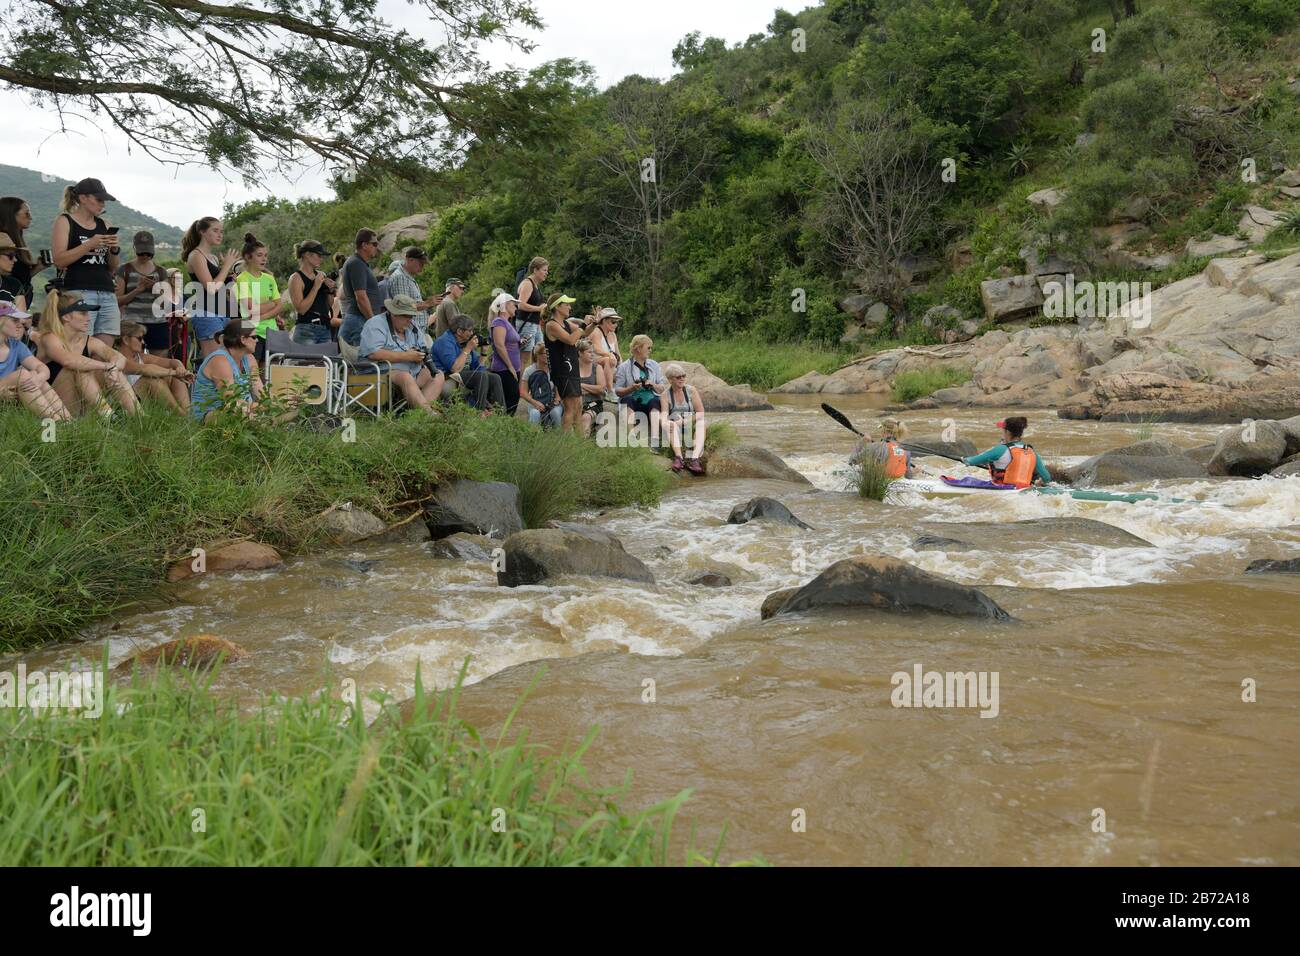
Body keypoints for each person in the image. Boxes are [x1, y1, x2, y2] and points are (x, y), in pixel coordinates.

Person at [35, 290, 139, 417]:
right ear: (66, 317)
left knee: (110, 371)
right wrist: (106, 366)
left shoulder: (89, 341)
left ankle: (138, 417)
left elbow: (119, 357)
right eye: (83, 313)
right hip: (56, 407)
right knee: (81, 369)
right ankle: (109, 417)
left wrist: (113, 368)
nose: (88, 318)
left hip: (82, 405)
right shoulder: (50, 338)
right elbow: (69, 361)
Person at [51, 179, 122, 347]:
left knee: (104, 352)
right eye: (99, 199)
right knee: (79, 348)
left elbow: (113, 266)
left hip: (107, 291)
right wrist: (89, 244)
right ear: (83, 198)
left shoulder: (104, 224)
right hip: (79, 290)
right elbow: (59, 260)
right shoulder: (65, 221)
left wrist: (114, 249)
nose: (103, 204)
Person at [358, 295, 445, 414]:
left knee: (438, 375)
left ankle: (419, 415)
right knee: (405, 377)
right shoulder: (375, 324)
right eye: (406, 316)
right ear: (394, 314)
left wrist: (419, 357)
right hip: (381, 371)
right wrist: (407, 356)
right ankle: (428, 414)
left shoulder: (412, 326)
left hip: (412, 370)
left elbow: (421, 348)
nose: (410, 320)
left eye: (412, 316)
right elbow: (373, 353)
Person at [182, 216, 239, 358]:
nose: (220, 234)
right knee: (215, 359)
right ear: (202, 232)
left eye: (221, 231)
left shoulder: (212, 257)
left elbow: (220, 287)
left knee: (227, 358)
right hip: (207, 313)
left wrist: (231, 280)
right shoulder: (196, 255)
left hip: (223, 313)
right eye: (215, 230)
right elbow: (211, 288)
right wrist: (226, 266)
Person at [0, 303, 69, 420]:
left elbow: (42, 368)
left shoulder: (16, 345)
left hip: (9, 393)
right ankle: (56, 422)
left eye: (20, 321)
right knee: (24, 375)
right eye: (14, 321)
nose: (20, 325)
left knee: (35, 377)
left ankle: (67, 421)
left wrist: (39, 378)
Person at [190, 319, 266, 421]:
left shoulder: (249, 358)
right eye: (254, 337)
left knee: (288, 408)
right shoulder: (220, 361)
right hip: (209, 414)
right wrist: (256, 407)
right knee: (239, 412)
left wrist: (277, 402)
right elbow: (230, 399)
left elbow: (260, 391)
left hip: (244, 409)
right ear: (243, 339)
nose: (257, 340)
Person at [543, 292, 596, 432]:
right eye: (566, 304)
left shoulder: (566, 323)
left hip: (571, 370)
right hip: (562, 371)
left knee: (578, 407)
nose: (569, 307)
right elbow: (572, 339)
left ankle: (578, 443)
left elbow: (584, 333)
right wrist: (583, 323)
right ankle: (566, 443)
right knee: (570, 408)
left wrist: (595, 322)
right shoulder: (551, 325)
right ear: (557, 307)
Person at [114, 322, 192, 413]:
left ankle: (188, 413)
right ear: (126, 340)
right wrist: (174, 372)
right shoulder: (117, 358)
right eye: (140, 338)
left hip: (143, 398)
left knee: (176, 378)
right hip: (127, 400)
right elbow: (145, 369)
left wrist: (180, 369)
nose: (143, 342)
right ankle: (182, 416)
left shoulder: (140, 356)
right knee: (154, 382)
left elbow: (173, 362)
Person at [433, 314, 505, 413]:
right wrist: (467, 349)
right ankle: (480, 411)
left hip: (465, 376)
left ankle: (501, 413)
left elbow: (477, 368)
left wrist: (483, 353)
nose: (472, 333)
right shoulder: (444, 342)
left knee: (495, 378)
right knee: (480, 377)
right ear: (459, 331)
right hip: (448, 377)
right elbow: (455, 369)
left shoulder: (465, 341)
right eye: (470, 330)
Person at [114, 231, 169, 357]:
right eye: (141, 252)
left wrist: (154, 289)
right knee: (130, 361)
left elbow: (166, 303)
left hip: (158, 322)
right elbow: (117, 301)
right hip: (131, 323)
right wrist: (138, 289)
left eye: (148, 253)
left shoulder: (161, 272)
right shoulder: (124, 270)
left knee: (160, 362)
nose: (145, 256)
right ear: (134, 248)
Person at [234, 233, 284, 364]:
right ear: (248, 257)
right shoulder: (242, 279)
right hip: (251, 333)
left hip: (271, 333)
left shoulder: (269, 278)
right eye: (259, 255)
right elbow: (251, 309)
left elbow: (280, 306)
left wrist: (261, 316)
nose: (264, 259)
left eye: (265, 255)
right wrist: (271, 304)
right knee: (253, 375)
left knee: (270, 375)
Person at [963, 417, 1052, 488]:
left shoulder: (1000, 449)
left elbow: (972, 461)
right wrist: (1038, 483)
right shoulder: (1032, 452)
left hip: (1003, 490)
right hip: (1025, 490)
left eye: (1003, 431)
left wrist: (964, 459)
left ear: (1007, 432)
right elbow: (1047, 478)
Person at [614, 334, 667, 446]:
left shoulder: (654, 365)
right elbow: (618, 391)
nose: (650, 350)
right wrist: (632, 388)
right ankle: (632, 435)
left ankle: (655, 439)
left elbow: (662, 388)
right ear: (638, 348)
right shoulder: (624, 367)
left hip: (651, 403)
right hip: (633, 402)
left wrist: (652, 384)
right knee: (627, 399)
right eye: (648, 348)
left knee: (656, 401)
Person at [0, 197, 51, 308]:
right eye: (26, 213)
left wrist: (37, 268)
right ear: (12, 215)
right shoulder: (4, 241)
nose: (30, 217)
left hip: (18, 301)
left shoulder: (16, 241)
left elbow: (20, 279)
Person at [287, 240, 338, 346]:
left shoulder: (321, 275)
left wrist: (330, 290)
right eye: (319, 255)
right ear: (307, 255)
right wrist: (316, 286)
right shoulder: (296, 278)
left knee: (326, 362)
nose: (321, 259)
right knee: (307, 362)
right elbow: (301, 309)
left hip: (325, 327)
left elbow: (329, 305)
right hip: (306, 328)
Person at [385, 246, 442, 338]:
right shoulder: (401, 278)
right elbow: (403, 309)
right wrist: (428, 303)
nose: (422, 267)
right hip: (409, 333)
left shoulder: (407, 277)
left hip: (414, 332)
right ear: (410, 260)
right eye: (421, 264)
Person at [338, 228, 382, 348]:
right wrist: (372, 322)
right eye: (374, 244)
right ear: (364, 245)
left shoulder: (359, 263)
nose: (376, 247)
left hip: (358, 320)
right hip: (359, 321)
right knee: (362, 364)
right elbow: (361, 297)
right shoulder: (356, 263)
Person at [662, 362, 708, 474]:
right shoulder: (665, 395)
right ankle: (679, 458)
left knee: (702, 422)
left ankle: (695, 459)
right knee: (670, 426)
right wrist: (666, 423)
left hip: (690, 423)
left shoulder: (691, 390)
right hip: (676, 425)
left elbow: (701, 412)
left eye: (683, 376)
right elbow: (664, 416)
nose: (682, 379)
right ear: (670, 379)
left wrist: (686, 420)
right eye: (678, 377)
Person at [488, 291, 523, 415]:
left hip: (512, 368)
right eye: (514, 304)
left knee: (512, 400)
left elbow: (508, 342)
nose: (516, 307)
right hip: (504, 369)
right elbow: (499, 345)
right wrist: (510, 367)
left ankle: (505, 427)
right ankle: (503, 427)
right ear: (506, 305)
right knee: (510, 400)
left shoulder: (507, 322)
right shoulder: (499, 322)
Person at [520, 345, 562, 429]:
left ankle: (558, 436)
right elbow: (523, 392)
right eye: (545, 353)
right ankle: (531, 436)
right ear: (537, 355)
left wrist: (556, 400)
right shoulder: (529, 370)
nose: (548, 356)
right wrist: (535, 403)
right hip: (535, 401)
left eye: (549, 353)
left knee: (555, 413)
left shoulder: (554, 368)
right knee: (535, 413)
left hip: (553, 402)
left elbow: (559, 388)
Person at [515, 257, 548, 354]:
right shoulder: (527, 283)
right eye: (544, 270)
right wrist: (539, 308)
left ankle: (536, 370)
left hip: (534, 324)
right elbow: (520, 305)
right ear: (535, 270)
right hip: (526, 323)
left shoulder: (535, 285)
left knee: (540, 352)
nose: (546, 273)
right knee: (525, 357)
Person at [590, 307, 622, 397]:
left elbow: (618, 353)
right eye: (613, 322)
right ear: (604, 321)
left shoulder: (613, 334)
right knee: (607, 359)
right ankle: (609, 391)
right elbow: (596, 348)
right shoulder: (596, 331)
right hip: (595, 365)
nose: (616, 325)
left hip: (611, 366)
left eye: (616, 322)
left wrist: (622, 367)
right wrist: (610, 355)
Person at [576, 338, 605, 435]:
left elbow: (601, 389)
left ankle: (583, 444)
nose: (593, 354)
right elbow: (570, 386)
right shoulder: (573, 368)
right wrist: (591, 389)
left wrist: (582, 385)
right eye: (589, 352)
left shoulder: (597, 368)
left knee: (585, 417)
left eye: (593, 352)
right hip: (576, 402)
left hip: (594, 403)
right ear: (580, 353)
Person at [0, 232, 27, 311]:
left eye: (15, 255)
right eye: (11, 255)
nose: (15, 260)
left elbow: (21, 319)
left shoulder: (14, 285)